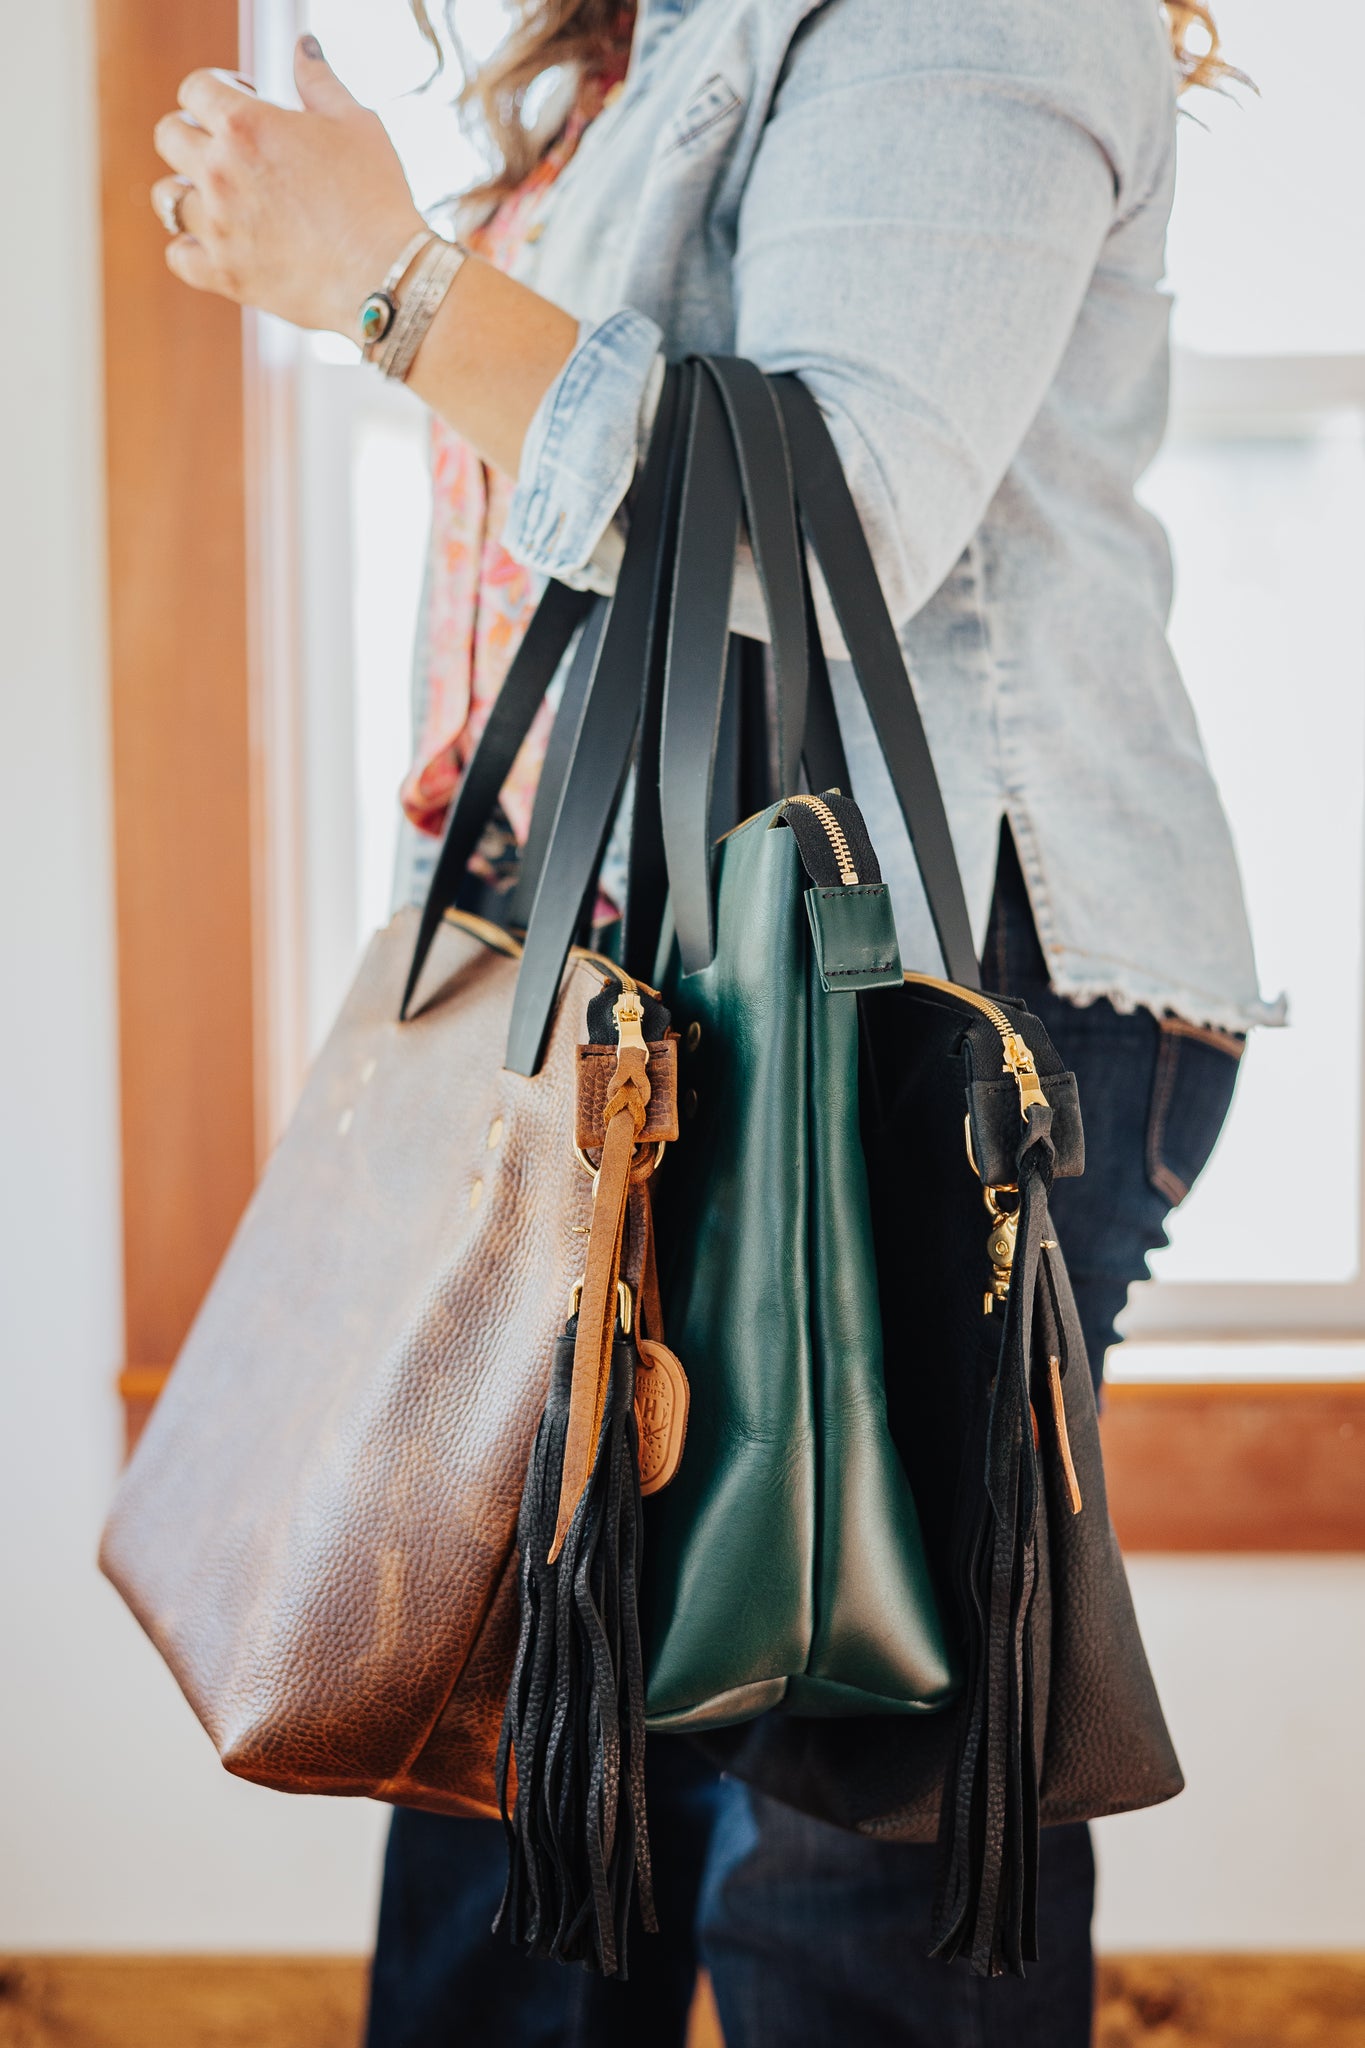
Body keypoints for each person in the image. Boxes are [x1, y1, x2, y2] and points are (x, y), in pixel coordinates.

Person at [151, 3, 1277, 2041]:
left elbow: (813, 520)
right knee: (540, 1777)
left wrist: (389, 284)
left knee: (841, 1843)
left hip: (915, 1003)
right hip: (669, 997)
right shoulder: (683, 30)